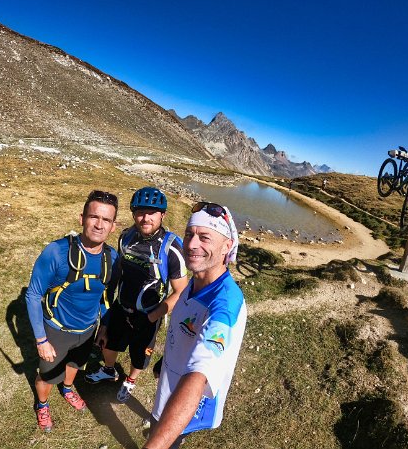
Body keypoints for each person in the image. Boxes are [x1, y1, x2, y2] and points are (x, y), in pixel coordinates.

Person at [142, 201, 247, 449]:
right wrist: (167, 358)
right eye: (189, 234)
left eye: (204, 237)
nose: (190, 244)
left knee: (163, 438)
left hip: (189, 404)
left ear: (227, 246)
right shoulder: (197, 280)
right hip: (170, 384)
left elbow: (200, 375)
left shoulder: (224, 305)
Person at [25, 190, 120, 432]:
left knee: (75, 364)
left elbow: (106, 296)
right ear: (82, 218)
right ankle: (43, 403)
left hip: (88, 330)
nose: (99, 225)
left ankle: (67, 388)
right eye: (94, 217)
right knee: (46, 376)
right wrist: (41, 340)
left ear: (113, 225)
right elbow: (34, 294)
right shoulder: (56, 252)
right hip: (57, 328)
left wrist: (104, 327)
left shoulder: (112, 258)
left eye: (106, 220)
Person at [85, 187, 189, 403]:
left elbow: (181, 291)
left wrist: (154, 316)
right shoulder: (126, 237)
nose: (146, 218)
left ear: (163, 215)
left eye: (152, 212)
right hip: (122, 306)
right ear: (133, 214)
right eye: (140, 212)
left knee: (140, 355)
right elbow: (119, 273)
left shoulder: (172, 247)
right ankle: (109, 370)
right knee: (109, 344)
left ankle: (130, 380)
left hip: (150, 314)